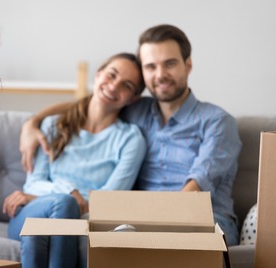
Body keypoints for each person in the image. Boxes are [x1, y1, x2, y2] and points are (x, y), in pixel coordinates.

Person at [20, 24, 242, 246]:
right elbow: (89, 105)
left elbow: (193, 193)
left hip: (203, 223)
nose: (160, 74)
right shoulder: (138, 110)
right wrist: (33, 123)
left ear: (188, 65)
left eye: (170, 64)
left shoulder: (217, 122)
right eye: (151, 67)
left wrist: (145, 224)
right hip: (143, 223)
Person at [3, 52, 147, 268]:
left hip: (73, 219)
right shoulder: (53, 125)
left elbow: (108, 201)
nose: (114, 86)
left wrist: (50, 197)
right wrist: (70, 191)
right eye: (111, 75)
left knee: (38, 234)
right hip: (33, 212)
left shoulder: (130, 139)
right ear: (98, 75)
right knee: (62, 203)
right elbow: (33, 183)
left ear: (133, 98)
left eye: (126, 85)